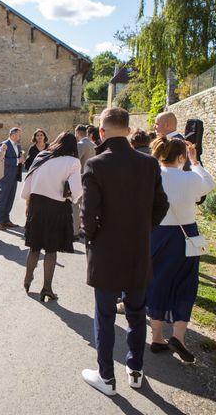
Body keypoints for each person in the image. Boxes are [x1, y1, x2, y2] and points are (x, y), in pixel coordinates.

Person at [81, 108, 169, 396]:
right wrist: (145, 230)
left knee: (105, 316)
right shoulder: (149, 164)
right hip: (137, 249)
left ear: (102, 132)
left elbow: (88, 213)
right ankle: (135, 369)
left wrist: (93, 239)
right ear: (130, 131)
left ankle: (106, 376)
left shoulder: (95, 165)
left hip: (106, 251)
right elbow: (161, 205)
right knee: (135, 312)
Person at [147, 136, 215, 363]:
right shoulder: (189, 178)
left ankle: (156, 336)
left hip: (157, 234)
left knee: (157, 282)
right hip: (187, 235)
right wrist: (195, 162)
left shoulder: (152, 176)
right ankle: (178, 336)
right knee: (186, 283)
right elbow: (209, 184)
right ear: (181, 157)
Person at [22, 132, 82, 301]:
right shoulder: (73, 162)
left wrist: (27, 200)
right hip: (57, 208)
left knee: (34, 247)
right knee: (50, 249)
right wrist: (72, 198)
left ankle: (27, 279)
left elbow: (29, 180)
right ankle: (47, 287)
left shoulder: (42, 155)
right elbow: (76, 190)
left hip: (37, 205)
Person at [0, 127, 25, 230]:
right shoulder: (4, 144)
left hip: (14, 176)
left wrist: (22, 159)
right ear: (13, 134)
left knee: (10, 199)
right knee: (3, 199)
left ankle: (6, 220)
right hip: (6, 176)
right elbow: (1, 159)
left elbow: (19, 158)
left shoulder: (18, 145)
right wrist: (17, 160)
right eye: (19, 135)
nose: (20, 137)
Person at [73, 124, 97, 237]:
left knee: (75, 204)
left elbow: (75, 161)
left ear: (77, 132)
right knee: (85, 204)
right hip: (91, 177)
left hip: (80, 176)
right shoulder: (93, 144)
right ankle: (84, 228)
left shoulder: (81, 144)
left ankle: (75, 230)